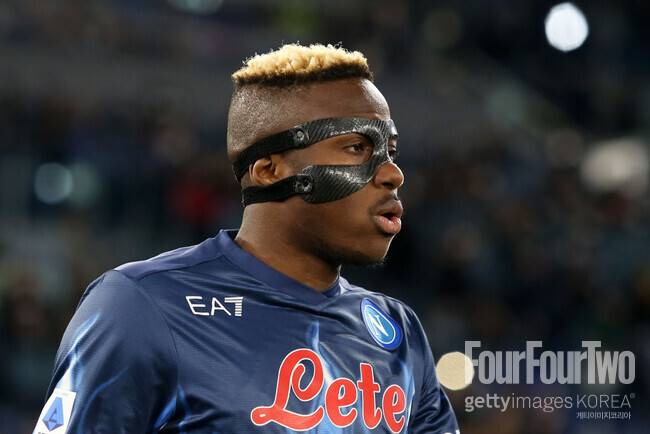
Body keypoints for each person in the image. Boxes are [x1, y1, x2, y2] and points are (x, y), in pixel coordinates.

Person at [33, 43, 459, 434]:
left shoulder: (399, 332)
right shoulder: (144, 305)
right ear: (269, 171)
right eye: (356, 148)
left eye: (391, 152)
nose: (393, 174)